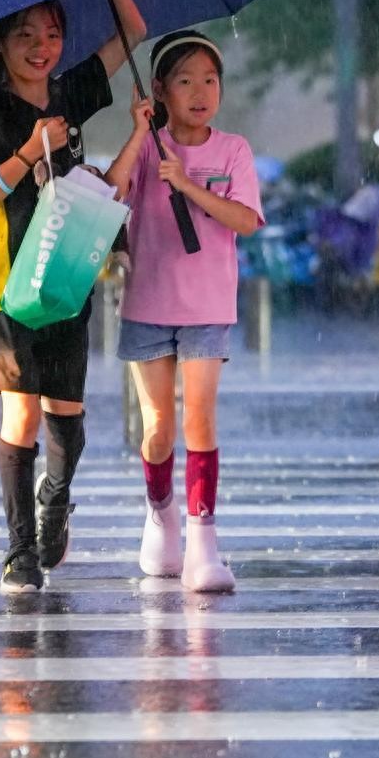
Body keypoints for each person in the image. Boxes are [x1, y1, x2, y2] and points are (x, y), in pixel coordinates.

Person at [0, 0, 145, 593]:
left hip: (65, 272)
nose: (41, 48)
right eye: (25, 36)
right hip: (4, 281)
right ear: (0, 45)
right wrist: (28, 150)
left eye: (51, 35)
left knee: (66, 413)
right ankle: (19, 552)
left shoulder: (71, 93)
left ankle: (57, 500)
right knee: (22, 412)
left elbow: (133, 36)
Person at [104, 31, 262, 593]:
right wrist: (138, 131)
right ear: (161, 92)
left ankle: (204, 544)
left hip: (207, 305)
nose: (200, 92)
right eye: (185, 80)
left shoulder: (233, 150)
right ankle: (160, 513)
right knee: (158, 430)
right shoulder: (148, 147)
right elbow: (111, 191)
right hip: (148, 302)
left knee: (198, 418)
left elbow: (245, 221)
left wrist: (189, 187)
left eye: (210, 79)